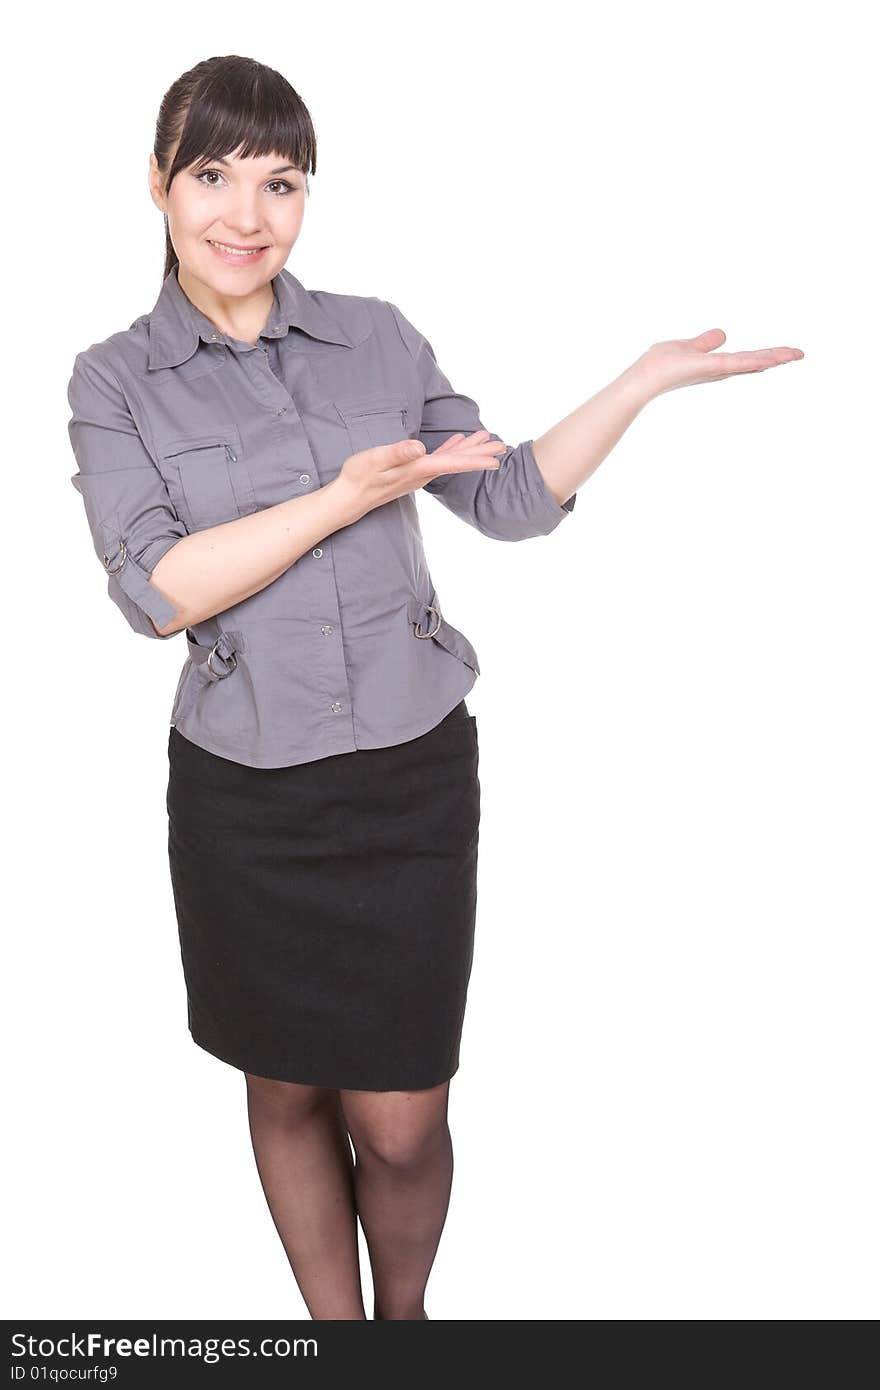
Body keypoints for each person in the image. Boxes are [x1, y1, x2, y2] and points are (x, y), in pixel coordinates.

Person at [66, 54, 803, 1322]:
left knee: (402, 1120)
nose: (245, 215)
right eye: (212, 175)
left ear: (309, 196)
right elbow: (159, 590)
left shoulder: (378, 336)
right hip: (248, 794)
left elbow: (507, 497)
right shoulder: (113, 378)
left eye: (280, 182)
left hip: (410, 773)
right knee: (286, 1087)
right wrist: (344, 497)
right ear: (157, 183)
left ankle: (406, 1335)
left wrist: (633, 386)